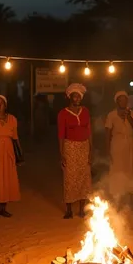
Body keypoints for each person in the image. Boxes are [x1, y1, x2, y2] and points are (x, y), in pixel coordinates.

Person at [57, 83, 92, 219]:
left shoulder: (86, 111)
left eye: (78, 96)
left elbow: (89, 131)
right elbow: (61, 135)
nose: (76, 98)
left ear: (81, 98)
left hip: (84, 146)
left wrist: (91, 150)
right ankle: (69, 209)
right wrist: (62, 153)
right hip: (69, 146)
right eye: (74, 96)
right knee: (70, 177)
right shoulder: (63, 113)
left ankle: (82, 209)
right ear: (69, 97)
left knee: (84, 176)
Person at [105, 91, 133, 200]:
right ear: (117, 102)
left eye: (125, 100)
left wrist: (129, 117)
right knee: (118, 169)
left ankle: (132, 197)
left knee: (131, 169)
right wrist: (107, 150)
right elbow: (107, 133)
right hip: (117, 145)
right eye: (120, 100)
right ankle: (119, 198)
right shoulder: (111, 115)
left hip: (131, 145)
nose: (123, 102)